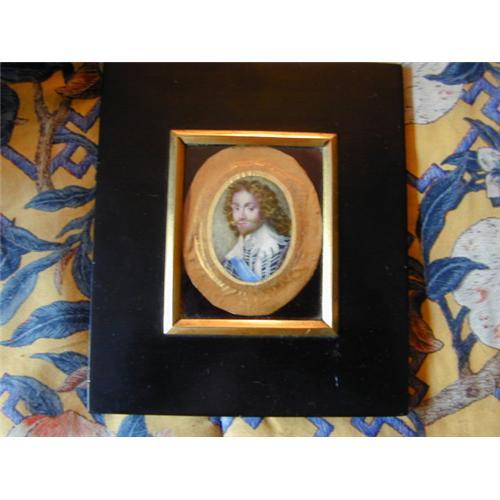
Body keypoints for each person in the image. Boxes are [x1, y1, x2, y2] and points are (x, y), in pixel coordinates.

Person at [221, 179, 291, 282]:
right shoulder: (234, 255)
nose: (241, 216)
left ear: (265, 209)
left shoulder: (286, 249)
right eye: (236, 208)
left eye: (250, 208)